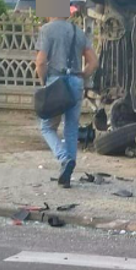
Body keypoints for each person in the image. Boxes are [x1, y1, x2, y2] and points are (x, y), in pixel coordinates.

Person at [35, 11, 98, 187]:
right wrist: (82, 76)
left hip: (55, 82)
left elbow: (40, 62)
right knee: (71, 128)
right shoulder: (78, 31)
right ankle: (67, 175)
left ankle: (64, 159)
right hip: (76, 82)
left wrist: (44, 82)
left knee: (47, 127)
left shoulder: (46, 30)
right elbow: (93, 62)